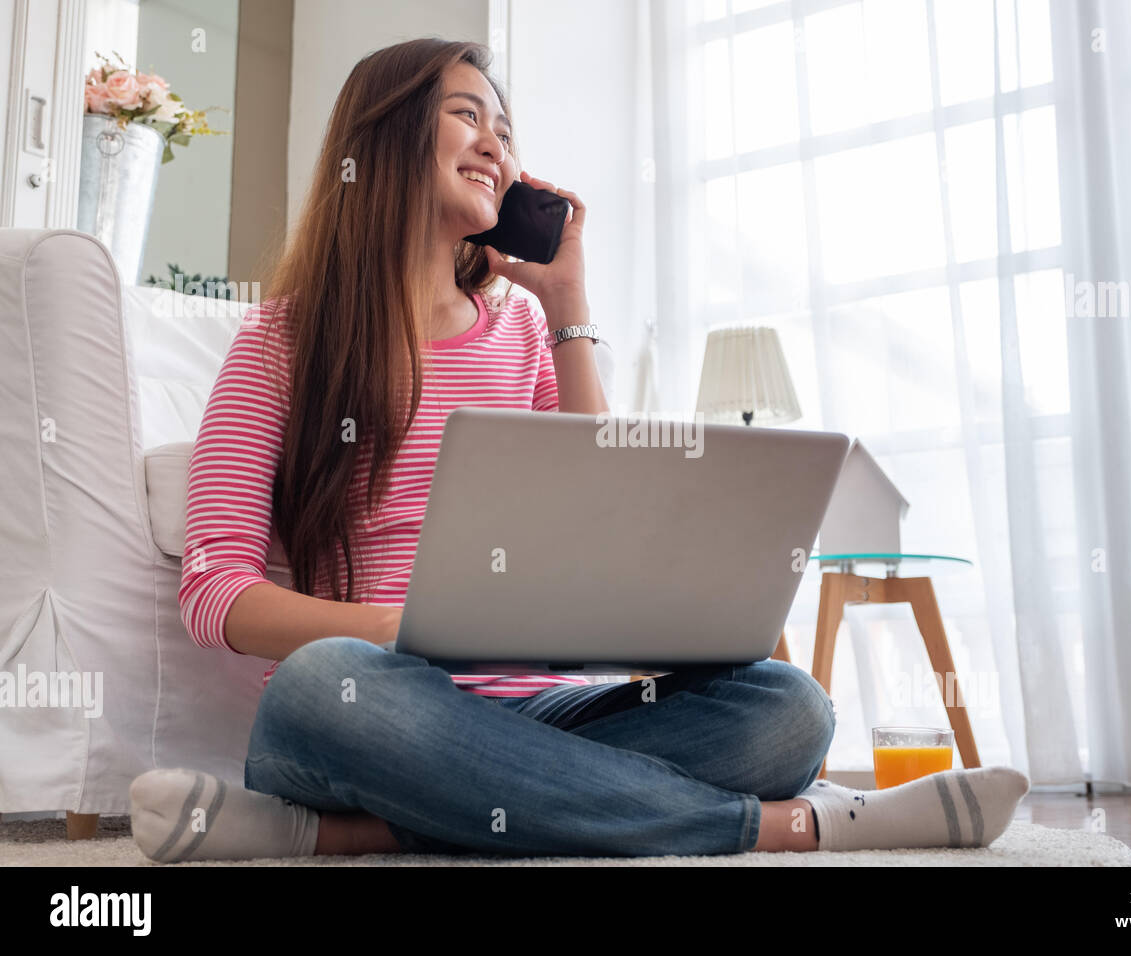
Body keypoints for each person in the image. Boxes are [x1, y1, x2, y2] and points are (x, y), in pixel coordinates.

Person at [128, 37, 1028, 862]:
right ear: (388, 135)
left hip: (546, 710)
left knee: (789, 709)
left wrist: (568, 309)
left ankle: (364, 831)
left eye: (506, 129)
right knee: (317, 686)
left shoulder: (520, 328)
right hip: (375, 704)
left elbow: (604, 526)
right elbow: (218, 593)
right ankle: (801, 826)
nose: (495, 146)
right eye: (467, 115)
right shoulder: (283, 338)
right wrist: (393, 630)